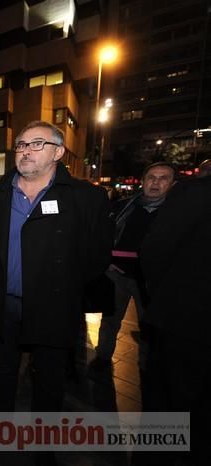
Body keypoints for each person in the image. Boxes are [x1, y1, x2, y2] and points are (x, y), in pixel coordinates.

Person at [0, 120, 112, 413]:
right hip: (5, 305)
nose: (26, 151)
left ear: (58, 152)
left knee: (49, 382)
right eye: (22, 145)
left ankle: (43, 447)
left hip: (54, 309)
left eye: (37, 144)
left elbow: (97, 256)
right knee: (3, 373)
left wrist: (62, 285)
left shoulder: (85, 198)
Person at [137, 175, 211, 466]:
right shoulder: (197, 193)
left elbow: (156, 251)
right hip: (186, 323)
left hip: (184, 320)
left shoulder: (194, 192)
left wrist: (167, 296)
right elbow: (156, 250)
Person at [91, 162, 175, 369]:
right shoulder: (124, 206)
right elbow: (104, 235)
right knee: (110, 318)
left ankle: (147, 365)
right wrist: (107, 262)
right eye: (151, 177)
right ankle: (102, 356)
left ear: (172, 184)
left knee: (148, 324)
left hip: (151, 280)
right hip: (117, 274)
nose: (156, 182)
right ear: (143, 181)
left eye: (163, 178)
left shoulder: (175, 212)